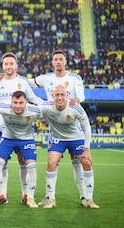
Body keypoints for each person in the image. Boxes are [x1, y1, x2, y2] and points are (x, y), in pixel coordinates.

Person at [0, 52, 43, 205]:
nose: (9, 66)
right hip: (2, 127)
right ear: (2, 66)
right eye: (6, 64)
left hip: (23, 128)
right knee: (2, 162)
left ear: (16, 65)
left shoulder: (23, 82)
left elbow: (33, 99)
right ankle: (1, 195)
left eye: (11, 64)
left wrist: (48, 105)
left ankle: (26, 195)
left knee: (23, 161)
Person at [28, 49, 87, 204]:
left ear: (66, 61)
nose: (59, 61)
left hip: (73, 126)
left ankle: (84, 196)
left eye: (61, 59)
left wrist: (76, 99)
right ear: (52, 62)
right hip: (55, 126)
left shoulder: (74, 78)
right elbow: (27, 83)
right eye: (56, 59)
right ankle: (50, 197)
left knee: (77, 163)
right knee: (53, 162)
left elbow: (81, 96)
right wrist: (9, 77)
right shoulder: (45, 78)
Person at [38, 85, 99, 209]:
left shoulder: (76, 107)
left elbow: (87, 127)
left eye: (62, 95)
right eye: (57, 95)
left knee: (86, 162)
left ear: (67, 96)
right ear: (52, 96)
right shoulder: (45, 106)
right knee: (51, 163)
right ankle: (50, 198)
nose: (60, 98)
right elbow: (32, 113)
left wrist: (86, 150)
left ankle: (88, 199)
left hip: (76, 138)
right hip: (57, 138)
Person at [0, 90, 42, 208]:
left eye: (21, 103)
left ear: (26, 102)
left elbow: (50, 110)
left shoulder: (35, 110)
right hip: (8, 138)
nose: (17, 106)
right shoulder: (3, 107)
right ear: (11, 102)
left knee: (31, 166)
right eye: (15, 102)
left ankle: (30, 198)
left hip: (26, 139)